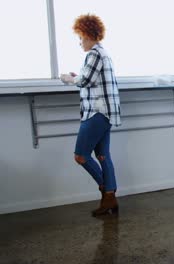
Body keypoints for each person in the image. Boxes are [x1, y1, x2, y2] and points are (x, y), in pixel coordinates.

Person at [60, 14, 121, 217]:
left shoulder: (94, 53)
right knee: (103, 156)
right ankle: (110, 197)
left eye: (80, 37)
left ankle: (107, 193)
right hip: (105, 113)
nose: (80, 42)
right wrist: (79, 77)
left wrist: (69, 79)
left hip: (96, 112)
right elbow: (91, 79)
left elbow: (86, 81)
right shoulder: (104, 54)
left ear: (88, 34)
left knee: (80, 156)